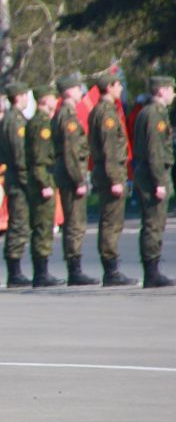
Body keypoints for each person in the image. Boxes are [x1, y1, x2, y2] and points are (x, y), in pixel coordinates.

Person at [87, 73, 134, 286]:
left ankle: (111, 266)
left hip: (107, 172)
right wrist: (115, 178)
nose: (121, 89)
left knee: (112, 221)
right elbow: (109, 149)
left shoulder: (103, 110)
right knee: (111, 222)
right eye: (118, 85)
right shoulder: (105, 113)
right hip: (110, 173)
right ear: (110, 87)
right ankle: (111, 269)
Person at [52, 74, 97, 285]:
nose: (82, 93)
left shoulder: (63, 114)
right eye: (79, 89)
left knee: (74, 223)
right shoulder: (67, 116)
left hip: (68, 173)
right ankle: (74, 269)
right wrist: (79, 180)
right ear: (70, 91)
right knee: (75, 224)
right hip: (71, 175)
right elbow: (71, 151)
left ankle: (74, 267)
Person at [132, 75, 174, 288]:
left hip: (147, 173)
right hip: (152, 176)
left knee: (153, 223)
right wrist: (159, 181)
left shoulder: (148, 112)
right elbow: (154, 150)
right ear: (161, 91)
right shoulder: (154, 115)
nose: (173, 94)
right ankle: (152, 272)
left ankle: (152, 269)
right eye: (171, 89)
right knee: (153, 224)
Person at [25, 84, 64, 287]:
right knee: (42, 226)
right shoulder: (40, 124)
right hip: (42, 180)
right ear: (44, 100)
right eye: (52, 97)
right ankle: (41, 273)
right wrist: (43, 183)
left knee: (45, 225)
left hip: (45, 179)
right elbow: (38, 158)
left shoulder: (41, 122)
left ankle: (42, 271)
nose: (55, 100)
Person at [0, 82, 32, 287]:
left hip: (14, 176)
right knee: (18, 224)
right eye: (25, 96)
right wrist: (28, 181)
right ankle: (14, 272)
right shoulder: (15, 121)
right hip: (19, 178)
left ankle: (15, 270)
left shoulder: (9, 120)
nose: (27, 100)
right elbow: (20, 155)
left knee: (19, 223)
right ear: (18, 97)